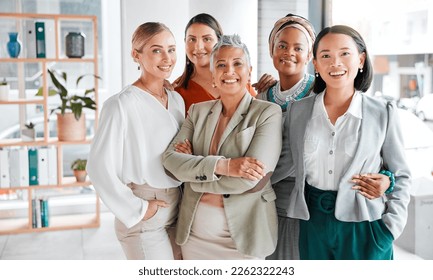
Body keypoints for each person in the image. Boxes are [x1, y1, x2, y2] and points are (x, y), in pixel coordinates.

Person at [258, 14, 393, 260]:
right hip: (311, 221)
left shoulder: (382, 112)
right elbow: (283, 160)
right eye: (326, 56)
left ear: (361, 59)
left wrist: (389, 229)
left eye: (344, 54)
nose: (335, 63)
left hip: (365, 225)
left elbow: (399, 174)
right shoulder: (299, 110)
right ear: (317, 64)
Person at [163, 34, 282, 259]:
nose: (229, 71)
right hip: (195, 236)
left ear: (249, 70)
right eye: (221, 65)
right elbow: (170, 162)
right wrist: (225, 166)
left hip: (245, 237)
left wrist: (193, 174)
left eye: (237, 64)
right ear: (213, 74)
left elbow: (251, 180)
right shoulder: (197, 111)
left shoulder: (267, 113)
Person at [86, 22, 185, 260]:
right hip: (145, 213)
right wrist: (139, 209)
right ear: (136, 54)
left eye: (171, 49)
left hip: (178, 208)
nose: (167, 57)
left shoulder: (176, 100)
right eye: (156, 50)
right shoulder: (121, 104)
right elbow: (98, 167)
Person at [173, 13, 257, 112]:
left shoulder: (238, 81)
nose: (198, 47)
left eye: (207, 39)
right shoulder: (177, 92)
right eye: (192, 39)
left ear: (219, 41)